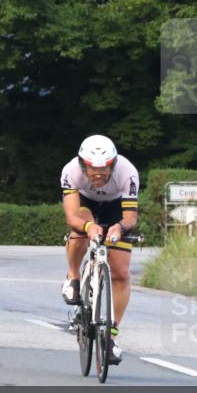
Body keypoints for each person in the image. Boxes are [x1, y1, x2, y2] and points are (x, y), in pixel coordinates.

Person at [60, 135, 139, 364]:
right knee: (80, 231)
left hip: (115, 207)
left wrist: (119, 227)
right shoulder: (71, 171)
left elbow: (130, 217)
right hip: (85, 205)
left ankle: (110, 335)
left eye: (104, 169)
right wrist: (88, 227)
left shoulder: (128, 172)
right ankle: (74, 276)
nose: (98, 174)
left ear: (113, 164)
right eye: (92, 169)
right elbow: (72, 215)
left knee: (121, 273)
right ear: (83, 165)